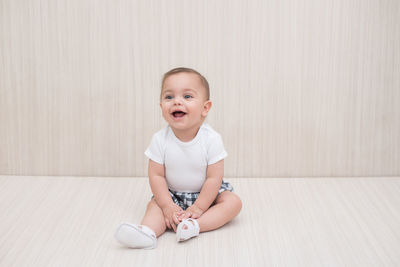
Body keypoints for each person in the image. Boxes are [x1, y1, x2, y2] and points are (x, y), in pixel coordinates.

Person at [115, 67, 242, 249]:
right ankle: (147, 232)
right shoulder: (160, 139)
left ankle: (194, 225)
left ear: (205, 108)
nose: (177, 102)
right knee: (154, 207)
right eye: (169, 97)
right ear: (161, 107)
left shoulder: (212, 139)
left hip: (207, 194)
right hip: (171, 194)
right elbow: (156, 176)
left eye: (187, 96)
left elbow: (214, 178)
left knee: (233, 203)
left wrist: (199, 208)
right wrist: (167, 205)